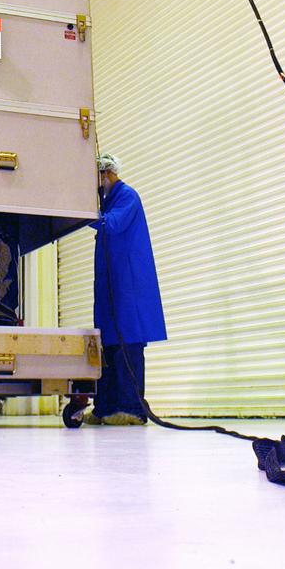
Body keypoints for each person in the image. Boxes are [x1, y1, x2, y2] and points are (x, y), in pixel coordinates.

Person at [87, 153, 167, 426]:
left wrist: (83, 213)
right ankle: (105, 407)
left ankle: (132, 409)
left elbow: (113, 224)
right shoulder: (108, 201)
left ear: (107, 174)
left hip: (128, 287)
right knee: (108, 348)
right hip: (110, 287)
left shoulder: (127, 196)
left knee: (127, 346)